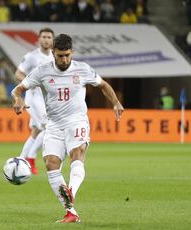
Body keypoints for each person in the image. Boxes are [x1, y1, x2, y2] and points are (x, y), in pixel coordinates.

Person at [11, 34, 124, 223]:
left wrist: (116, 103)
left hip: (77, 120)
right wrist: (18, 99)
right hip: (54, 124)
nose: (64, 60)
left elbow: (103, 85)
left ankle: (70, 190)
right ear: (53, 53)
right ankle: (71, 212)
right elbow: (18, 88)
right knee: (51, 163)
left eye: (67, 56)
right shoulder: (42, 71)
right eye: (60, 56)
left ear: (72, 52)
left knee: (77, 152)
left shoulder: (83, 69)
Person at [15, 27, 55, 174]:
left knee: (36, 131)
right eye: (43, 37)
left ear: (52, 40)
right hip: (33, 98)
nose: (46, 39)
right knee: (48, 127)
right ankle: (31, 159)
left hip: (48, 99)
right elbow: (18, 73)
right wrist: (31, 81)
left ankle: (20, 161)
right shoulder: (32, 56)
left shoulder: (54, 57)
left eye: (49, 37)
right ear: (38, 39)